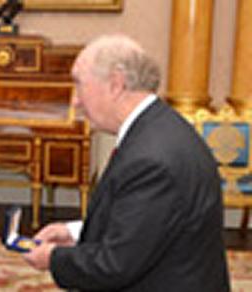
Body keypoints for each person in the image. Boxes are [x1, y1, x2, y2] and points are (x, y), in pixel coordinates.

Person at [23, 34, 230, 291]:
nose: (75, 101)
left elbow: (114, 265)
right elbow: (143, 225)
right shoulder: (157, 127)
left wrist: (52, 258)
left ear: (115, 84)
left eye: (79, 85)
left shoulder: (151, 159)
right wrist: (74, 232)